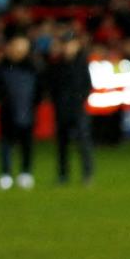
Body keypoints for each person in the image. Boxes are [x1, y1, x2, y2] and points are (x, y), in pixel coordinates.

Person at [44, 28, 95, 184]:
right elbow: (51, 86)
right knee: (62, 144)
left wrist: (79, 100)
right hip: (62, 109)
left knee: (83, 143)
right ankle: (63, 175)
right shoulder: (56, 64)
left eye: (70, 43)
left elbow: (87, 86)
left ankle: (87, 174)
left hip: (78, 109)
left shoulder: (81, 63)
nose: (68, 47)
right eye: (65, 43)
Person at [0, 35, 41, 190]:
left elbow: (40, 90)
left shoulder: (33, 67)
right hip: (8, 112)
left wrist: (33, 104)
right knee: (6, 144)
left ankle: (25, 173)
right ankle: (5, 174)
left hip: (27, 111)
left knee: (26, 144)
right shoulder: (0, 67)